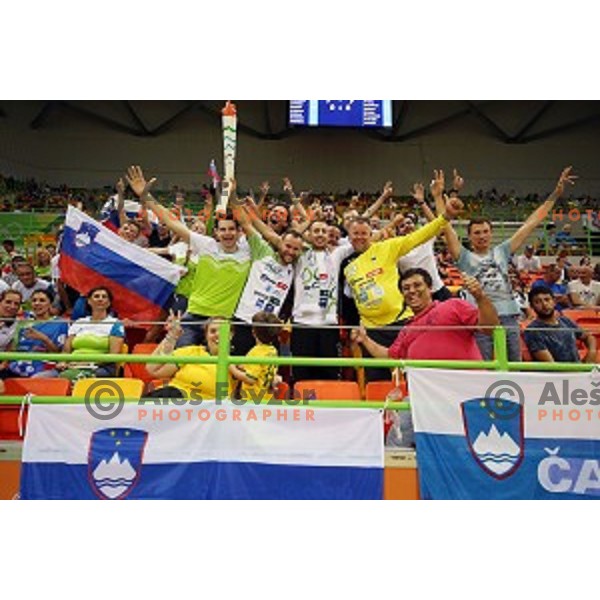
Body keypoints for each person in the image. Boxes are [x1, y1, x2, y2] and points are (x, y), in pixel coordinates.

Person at [441, 166, 577, 362]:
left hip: (508, 317)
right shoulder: (463, 256)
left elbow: (531, 223)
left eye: (485, 231)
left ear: (491, 233)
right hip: (481, 319)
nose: (482, 236)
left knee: (514, 368)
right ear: (469, 237)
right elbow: (444, 225)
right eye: (477, 233)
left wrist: (555, 194)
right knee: (485, 370)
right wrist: (443, 196)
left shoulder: (502, 251)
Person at [125, 166, 255, 347]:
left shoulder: (248, 252)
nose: (227, 233)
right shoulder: (206, 245)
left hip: (223, 322)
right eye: (223, 229)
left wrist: (232, 195)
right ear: (216, 232)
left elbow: (250, 223)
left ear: (239, 231)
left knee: (216, 371)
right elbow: (171, 221)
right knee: (181, 364)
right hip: (193, 316)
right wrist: (146, 197)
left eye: (232, 229)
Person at [341, 195, 462, 380]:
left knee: (412, 376)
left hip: (401, 324)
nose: (359, 237)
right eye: (355, 233)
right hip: (372, 331)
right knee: (376, 381)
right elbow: (349, 300)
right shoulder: (345, 264)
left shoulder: (386, 248)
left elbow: (417, 237)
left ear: (371, 234)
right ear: (348, 236)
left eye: (364, 233)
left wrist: (445, 217)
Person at [352, 268, 499, 361]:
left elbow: (490, 328)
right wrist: (365, 340)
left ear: (430, 288)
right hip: (427, 397)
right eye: (406, 288)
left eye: (417, 285)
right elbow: (390, 356)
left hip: (464, 392)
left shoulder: (453, 305)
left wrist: (480, 297)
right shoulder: (406, 330)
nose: (411, 291)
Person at [146, 314, 235, 399]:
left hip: (202, 409)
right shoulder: (191, 352)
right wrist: (172, 336)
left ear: (231, 335)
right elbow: (153, 369)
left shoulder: (236, 363)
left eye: (223, 330)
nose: (218, 334)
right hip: (171, 397)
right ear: (206, 336)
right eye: (212, 331)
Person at [58, 286, 125, 380]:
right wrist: (63, 362)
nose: (100, 299)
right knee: (42, 377)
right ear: (89, 301)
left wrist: (87, 363)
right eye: (96, 296)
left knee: (68, 377)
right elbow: (66, 351)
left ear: (109, 302)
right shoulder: (79, 322)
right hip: (72, 365)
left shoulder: (115, 324)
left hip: (100, 367)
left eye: (104, 297)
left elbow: (114, 355)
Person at [524, 285, 596, 363]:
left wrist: (591, 353)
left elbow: (589, 337)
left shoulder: (565, 321)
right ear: (532, 306)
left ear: (554, 301)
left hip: (578, 370)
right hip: (557, 374)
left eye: (547, 300)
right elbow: (550, 364)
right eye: (538, 302)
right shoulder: (532, 331)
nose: (544, 304)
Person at [9, 289, 68, 378]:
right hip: (16, 365)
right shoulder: (23, 323)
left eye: (42, 300)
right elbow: (13, 348)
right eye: (34, 300)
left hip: (45, 366)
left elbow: (58, 354)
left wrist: (43, 339)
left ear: (50, 304)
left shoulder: (60, 323)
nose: (37, 303)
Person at [229, 311, 283, 401]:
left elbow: (250, 379)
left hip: (253, 399)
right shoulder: (273, 350)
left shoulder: (256, 352)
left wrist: (231, 368)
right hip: (266, 397)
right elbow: (260, 369)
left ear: (253, 332)